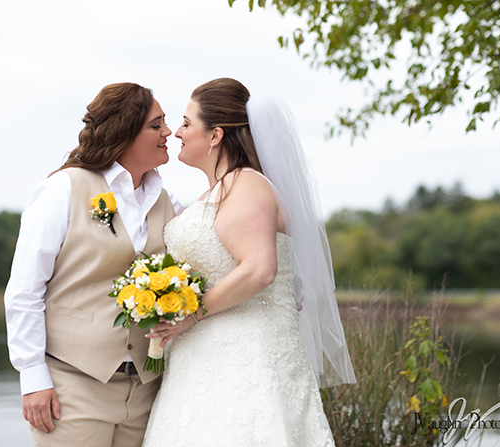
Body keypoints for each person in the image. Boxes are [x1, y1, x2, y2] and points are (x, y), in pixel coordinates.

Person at [141, 78, 356, 447]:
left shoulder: (246, 184)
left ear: (215, 136)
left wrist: (190, 314)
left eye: (187, 123)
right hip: (206, 363)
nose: (177, 132)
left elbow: (260, 269)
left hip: (246, 360)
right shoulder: (221, 189)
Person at [4, 82, 184, 447]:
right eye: (156, 124)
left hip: (147, 391)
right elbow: (25, 289)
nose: (168, 132)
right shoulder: (64, 189)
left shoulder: (167, 201)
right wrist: (33, 377)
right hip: (72, 386)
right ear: (125, 130)